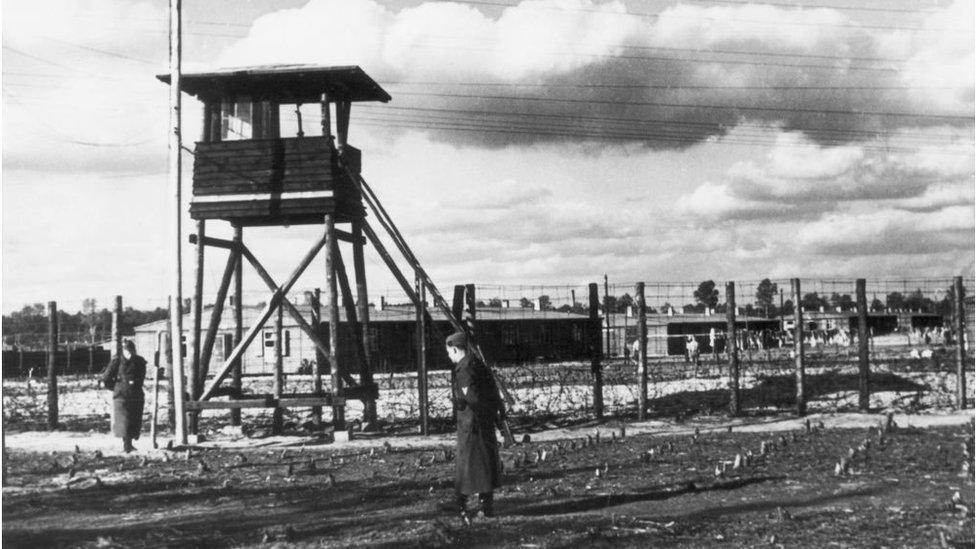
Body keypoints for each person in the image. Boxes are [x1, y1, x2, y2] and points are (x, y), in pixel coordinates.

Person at [444, 331, 503, 521]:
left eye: (449, 352)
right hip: (482, 422)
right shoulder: (478, 363)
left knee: (468, 464)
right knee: (482, 463)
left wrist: (459, 402)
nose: (448, 356)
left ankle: (463, 505)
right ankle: (484, 505)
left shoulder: (464, 369)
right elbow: (491, 393)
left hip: (471, 423)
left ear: (454, 349)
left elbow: (473, 398)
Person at [101, 339, 147, 453]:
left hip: (136, 394)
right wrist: (116, 388)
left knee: (135, 420)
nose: (130, 354)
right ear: (124, 351)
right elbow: (106, 378)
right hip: (121, 396)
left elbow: (141, 378)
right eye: (128, 351)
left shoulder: (140, 361)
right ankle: (127, 445)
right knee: (124, 421)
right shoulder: (117, 361)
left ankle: (130, 444)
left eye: (132, 351)